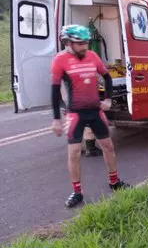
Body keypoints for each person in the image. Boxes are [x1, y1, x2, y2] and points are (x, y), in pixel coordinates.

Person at [51, 25, 130, 208]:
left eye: (86, 42)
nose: (85, 46)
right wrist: (56, 119)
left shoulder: (92, 56)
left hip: (95, 111)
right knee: (74, 153)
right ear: (68, 43)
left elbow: (107, 77)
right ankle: (76, 192)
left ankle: (114, 182)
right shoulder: (60, 60)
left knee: (108, 147)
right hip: (75, 114)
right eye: (80, 43)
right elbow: (54, 91)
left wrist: (108, 99)